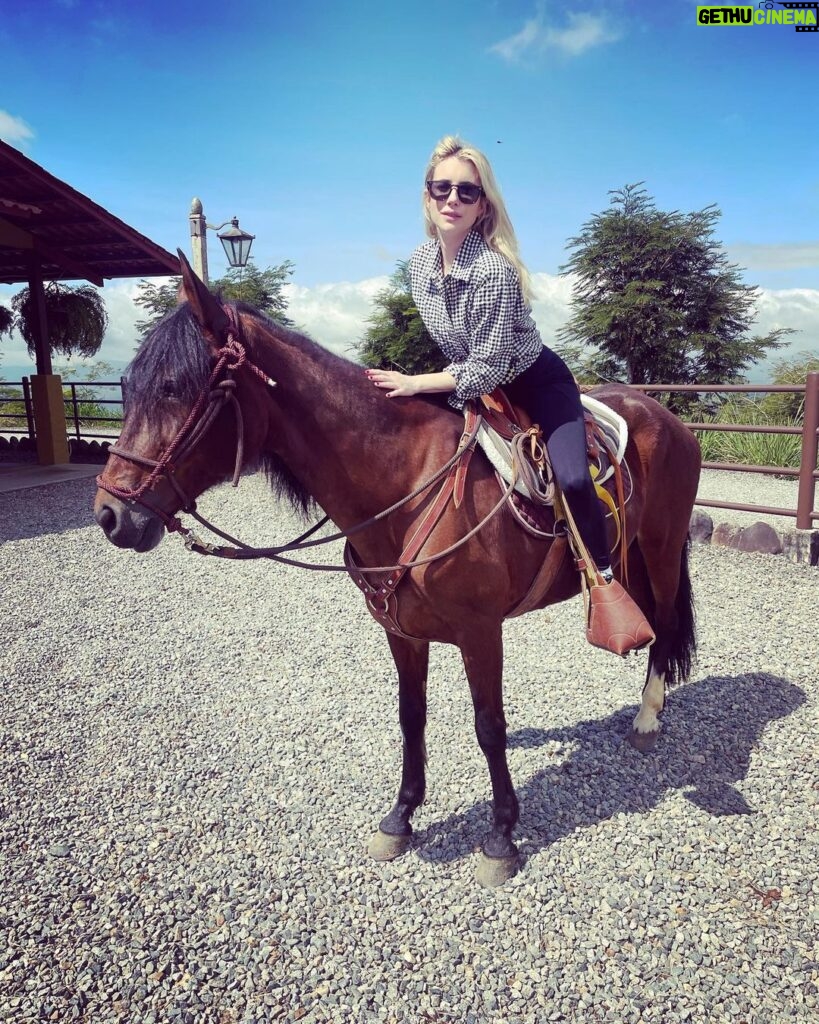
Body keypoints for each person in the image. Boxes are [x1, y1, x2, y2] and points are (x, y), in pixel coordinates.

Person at [365, 134, 615, 584]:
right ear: (427, 196)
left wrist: (416, 382)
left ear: (483, 206)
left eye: (468, 191)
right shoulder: (420, 264)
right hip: (471, 379)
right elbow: (461, 352)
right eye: (442, 188)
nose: (453, 199)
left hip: (531, 381)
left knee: (574, 479)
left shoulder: (493, 271)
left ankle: (603, 576)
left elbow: (489, 366)